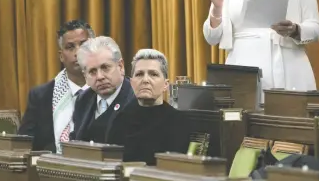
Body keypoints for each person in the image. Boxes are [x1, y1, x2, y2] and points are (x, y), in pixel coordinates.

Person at [18, 19, 95, 153]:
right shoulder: (41, 96)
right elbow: (24, 144)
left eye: (83, 45)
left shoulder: (107, 89)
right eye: (70, 47)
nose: (77, 52)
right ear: (61, 56)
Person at [107, 49, 190, 165]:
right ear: (131, 82)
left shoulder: (178, 122)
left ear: (166, 84)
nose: (145, 80)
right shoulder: (120, 119)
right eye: (139, 74)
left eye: (153, 74)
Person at [70, 36, 135, 144]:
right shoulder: (83, 100)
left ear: (120, 66)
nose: (100, 77)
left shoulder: (136, 99)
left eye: (105, 67)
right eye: (92, 71)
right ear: (85, 76)